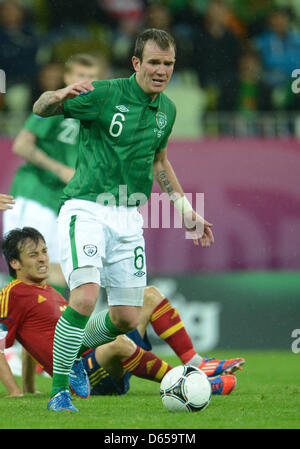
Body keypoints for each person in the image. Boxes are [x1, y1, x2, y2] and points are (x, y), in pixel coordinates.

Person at [33, 28, 215, 411]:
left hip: (129, 217)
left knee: (126, 317)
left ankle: (71, 350)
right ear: (136, 63)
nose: (161, 71)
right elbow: (40, 108)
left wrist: (185, 212)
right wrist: (57, 97)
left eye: (168, 64)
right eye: (153, 62)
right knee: (83, 297)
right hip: (86, 208)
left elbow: (160, 161)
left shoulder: (168, 109)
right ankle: (60, 391)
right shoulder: (104, 93)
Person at [0, 227, 244, 408]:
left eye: (44, 251)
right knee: (117, 343)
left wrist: (29, 388)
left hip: (97, 355)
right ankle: (191, 382)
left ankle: (195, 362)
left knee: (149, 295)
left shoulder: (46, 290)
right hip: (84, 371)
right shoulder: (12, 294)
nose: (43, 258)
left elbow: (30, 342)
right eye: (33, 255)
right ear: (15, 263)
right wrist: (15, 391)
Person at [3, 53, 108, 292]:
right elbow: (21, 145)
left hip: (58, 203)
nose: (85, 82)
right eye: (80, 75)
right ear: (68, 77)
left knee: (59, 271)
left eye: (91, 77)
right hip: (34, 195)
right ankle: (14, 327)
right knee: (32, 271)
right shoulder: (57, 105)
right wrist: (59, 169)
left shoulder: (94, 115)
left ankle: (51, 329)